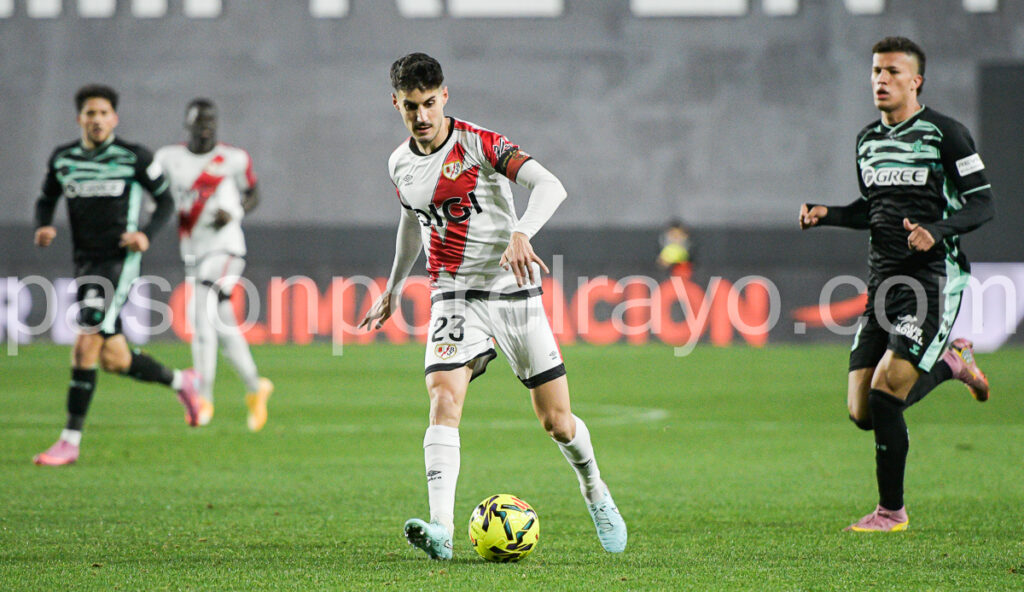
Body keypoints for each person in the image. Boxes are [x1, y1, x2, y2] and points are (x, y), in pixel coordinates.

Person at [359, 53, 627, 559]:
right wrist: (394, 286)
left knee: (558, 423)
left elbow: (552, 185)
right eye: (411, 106)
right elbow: (413, 221)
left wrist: (521, 231)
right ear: (396, 103)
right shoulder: (399, 163)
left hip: (513, 293)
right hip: (452, 295)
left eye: (430, 103)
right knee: (443, 400)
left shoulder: (480, 143)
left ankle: (596, 492)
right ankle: (441, 528)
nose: (422, 116)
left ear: (445, 96)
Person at [799, 37, 994, 532]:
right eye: (875, 71)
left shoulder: (947, 135)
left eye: (891, 71)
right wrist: (828, 214)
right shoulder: (867, 140)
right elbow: (873, 209)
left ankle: (891, 512)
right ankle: (954, 362)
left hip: (932, 279)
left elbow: (982, 204)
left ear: (916, 81)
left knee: (887, 394)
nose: (880, 80)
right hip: (882, 283)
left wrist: (938, 232)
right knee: (862, 411)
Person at [32, 84, 203, 466]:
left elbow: (166, 200)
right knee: (114, 358)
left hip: (118, 260)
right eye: (90, 113)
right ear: (80, 118)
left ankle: (69, 441)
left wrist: (145, 234)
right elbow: (46, 197)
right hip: (85, 262)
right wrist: (43, 224)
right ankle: (183, 381)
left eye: (103, 113)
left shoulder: (134, 157)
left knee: (86, 340)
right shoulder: (64, 159)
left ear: (115, 118)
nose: (96, 119)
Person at [154, 98, 273, 431]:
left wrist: (234, 213)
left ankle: (202, 396)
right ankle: (255, 387)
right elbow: (152, 191)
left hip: (227, 249)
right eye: (200, 122)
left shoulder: (233, 159)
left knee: (199, 311)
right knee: (222, 322)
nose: (206, 128)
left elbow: (254, 193)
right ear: (188, 124)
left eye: (211, 122)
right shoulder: (169, 159)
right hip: (194, 251)